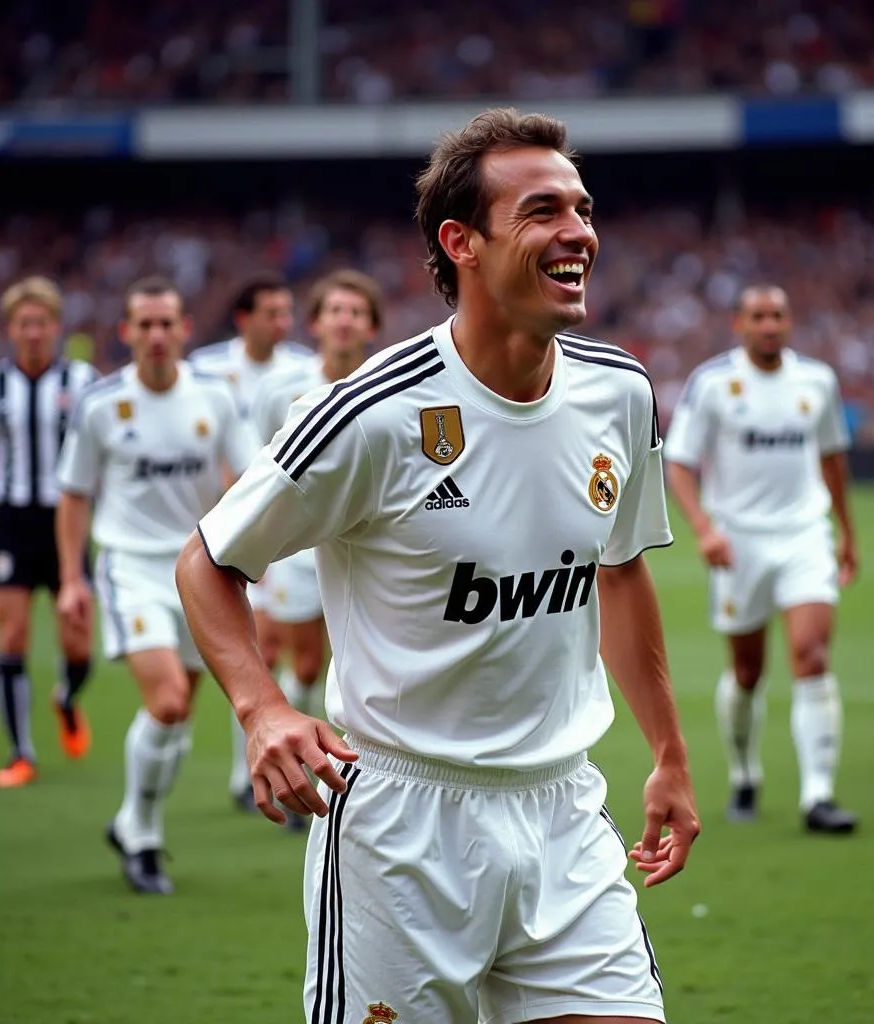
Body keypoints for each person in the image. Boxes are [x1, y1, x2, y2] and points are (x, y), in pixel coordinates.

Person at [177, 108, 699, 1024]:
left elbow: (619, 571)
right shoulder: (371, 415)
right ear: (461, 241)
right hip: (401, 828)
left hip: (566, 813)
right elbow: (207, 560)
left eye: (582, 208)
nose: (580, 232)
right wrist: (261, 709)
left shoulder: (621, 392)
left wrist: (669, 755)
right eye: (542, 211)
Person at [55, 276, 253, 894]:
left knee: (179, 712)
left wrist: (250, 553)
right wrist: (70, 580)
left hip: (198, 568)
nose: (157, 335)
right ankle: (141, 831)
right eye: (145, 325)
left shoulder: (216, 398)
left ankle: (133, 821)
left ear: (185, 330)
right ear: (127, 333)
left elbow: (247, 478)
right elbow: (74, 495)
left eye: (168, 323)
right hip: (130, 567)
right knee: (167, 701)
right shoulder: (101, 406)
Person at [665, 284, 860, 835]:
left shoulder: (816, 382)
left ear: (789, 322)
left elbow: (832, 458)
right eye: (758, 316)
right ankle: (745, 773)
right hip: (739, 543)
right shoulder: (713, 384)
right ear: (739, 324)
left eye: (778, 315)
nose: (769, 324)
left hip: (804, 535)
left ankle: (818, 794)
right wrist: (704, 530)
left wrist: (846, 533)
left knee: (811, 653)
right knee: (748, 671)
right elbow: (678, 464)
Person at [249, 270, 383, 834]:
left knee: (345, 662)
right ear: (316, 323)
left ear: (372, 326)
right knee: (303, 663)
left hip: (371, 549)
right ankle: (289, 759)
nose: (345, 320)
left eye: (356, 311)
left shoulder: (390, 385)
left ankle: (329, 763)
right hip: (302, 549)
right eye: (335, 310)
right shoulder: (284, 392)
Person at [187, 272, 313, 813]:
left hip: (281, 525)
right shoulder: (209, 370)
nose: (283, 323)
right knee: (258, 645)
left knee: (290, 655)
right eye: (272, 313)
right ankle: (253, 762)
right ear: (244, 319)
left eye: (288, 312)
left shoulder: (300, 370)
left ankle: (266, 754)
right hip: (226, 523)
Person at [0, 277, 98, 788]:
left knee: (78, 644)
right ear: (11, 329)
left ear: (55, 327)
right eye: (23, 324)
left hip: (67, 522)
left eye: (41, 323)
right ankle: (21, 753)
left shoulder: (82, 382)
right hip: (13, 519)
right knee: (11, 634)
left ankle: (66, 698)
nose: (33, 332)